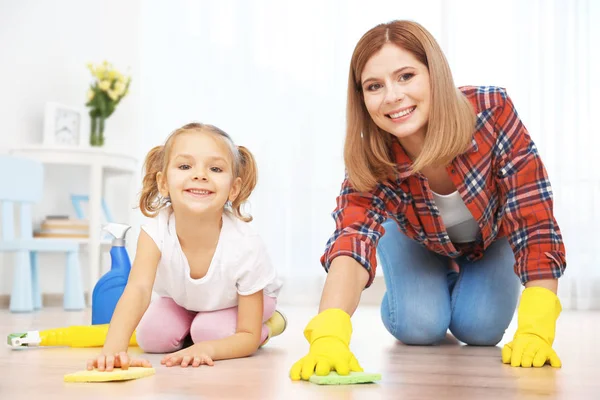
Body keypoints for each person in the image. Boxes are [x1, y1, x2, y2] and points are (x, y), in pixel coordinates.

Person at [290, 20, 566, 381]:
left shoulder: (492, 111)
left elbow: (533, 218)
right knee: (420, 327)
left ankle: (449, 282)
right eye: (375, 86)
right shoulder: (374, 154)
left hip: (491, 237)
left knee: (480, 330)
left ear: (434, 73)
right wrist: (328, 332)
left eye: (405, 76)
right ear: (362, 97)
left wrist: (538, 325)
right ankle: (427, 286)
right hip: (416, 240)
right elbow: (352, 238)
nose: (392, 96)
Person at [87, 122, 286, 371]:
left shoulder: (245, 245)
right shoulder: (155, 232)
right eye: (184, 166)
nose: (200, 175)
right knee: (151, 336)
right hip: (189, 299)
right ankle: (196, 325)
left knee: (209, 333)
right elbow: (138, 289)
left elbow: (245, 335)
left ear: (233, 189)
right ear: (163, 183)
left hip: (244, 302)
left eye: (215, 168)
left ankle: (269, 327)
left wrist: (208, 349)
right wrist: (114, 349)